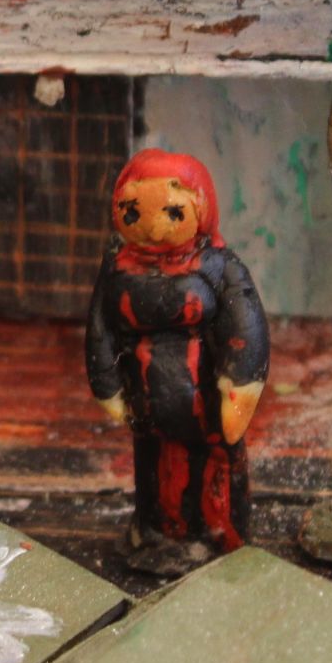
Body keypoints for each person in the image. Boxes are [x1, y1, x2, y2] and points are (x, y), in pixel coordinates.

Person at [83, 149, 270, 564]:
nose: (153, 227)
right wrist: (107, 386)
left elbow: (246, 326)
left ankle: (222, 537)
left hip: (207, 406)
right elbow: (100, 329)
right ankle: (155, 533)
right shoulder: (116, 267)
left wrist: (240, 387)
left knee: (215, 471)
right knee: (154, 471)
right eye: (134, 212)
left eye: (172, 213)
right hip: (146, 404)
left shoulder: (219, 266)